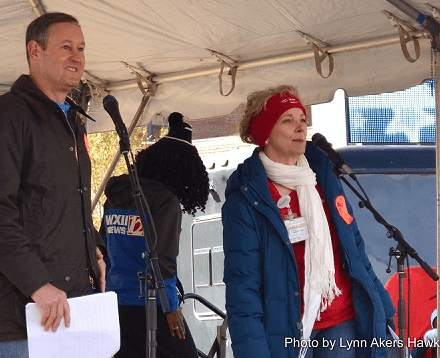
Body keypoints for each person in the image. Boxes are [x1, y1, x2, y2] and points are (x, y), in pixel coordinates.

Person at [0, 12, 106, 358]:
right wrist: (38, 286)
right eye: (66, 47)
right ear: (35, 51)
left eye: (82, 49)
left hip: (75, 310)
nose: (78, 57)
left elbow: (65, 207)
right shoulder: (3, 117)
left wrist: (95, 252)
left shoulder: (72, 122)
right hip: (24, 319)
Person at [222, 85, 396, 358]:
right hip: (286, 329)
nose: (301, 128)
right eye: (288, 121)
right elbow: (242, 287)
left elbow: (355, 250)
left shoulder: (324, 177)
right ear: (265, 133)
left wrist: (383, 311)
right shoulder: (246, 199)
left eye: (303, 120)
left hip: (342, 322)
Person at [101, 112, 208, 358]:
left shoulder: (116, 195)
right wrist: (171, 307)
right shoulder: (166, 200)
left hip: (113, 306)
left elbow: (102, 250)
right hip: (151, 305)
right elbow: (162, 259)